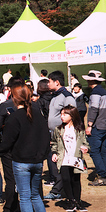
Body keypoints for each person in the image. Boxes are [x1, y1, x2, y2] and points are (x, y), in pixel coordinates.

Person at [0, 85, 50, 212]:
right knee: (34, 194)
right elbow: (46, 137)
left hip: (22, 161)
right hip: (37, 160)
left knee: (25, 196)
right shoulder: (37, 114)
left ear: (14, 97)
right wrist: (43, 155)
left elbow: (7, 141)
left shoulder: (15, 117)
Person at [0, 76, 25, 212]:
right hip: (28, 147)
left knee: (10, 180)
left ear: (10, 89)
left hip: (10, 147)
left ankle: (9, 210)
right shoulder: (32, 105)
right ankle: (28, 209)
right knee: (29, 179)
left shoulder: (6, 105)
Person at [44, 70, 76, 200]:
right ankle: (59, 188)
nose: (47, 84)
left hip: (62, 135)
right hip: (53, 133)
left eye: (50, 81)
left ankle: (58, 190)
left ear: (56, 82)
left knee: (59, 162)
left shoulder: (66, 96)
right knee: (53, 161)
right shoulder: (55, 95)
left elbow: (73, 114)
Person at [51, 105, 89, 212]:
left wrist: (85, 148)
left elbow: (86, 143)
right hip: (63, 158)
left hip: (75, 158)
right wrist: (54, 153)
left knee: (75, 180)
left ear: (72, 115)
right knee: (66, 179)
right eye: (61, 114)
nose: (62, 117)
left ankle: (77, 201)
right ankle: (70, 201)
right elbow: (54, 143)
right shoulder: (58, 130)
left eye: (65, 114)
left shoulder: (79, 129)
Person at [83, 70, 106, 186]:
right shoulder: (104, 92)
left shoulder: (95, 93)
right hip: (105, 125)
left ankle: (102, 176)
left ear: (91, 80)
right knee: (103, 150)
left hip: (97, 126)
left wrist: (89, 124)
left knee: (94, 151)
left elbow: (94, 109)